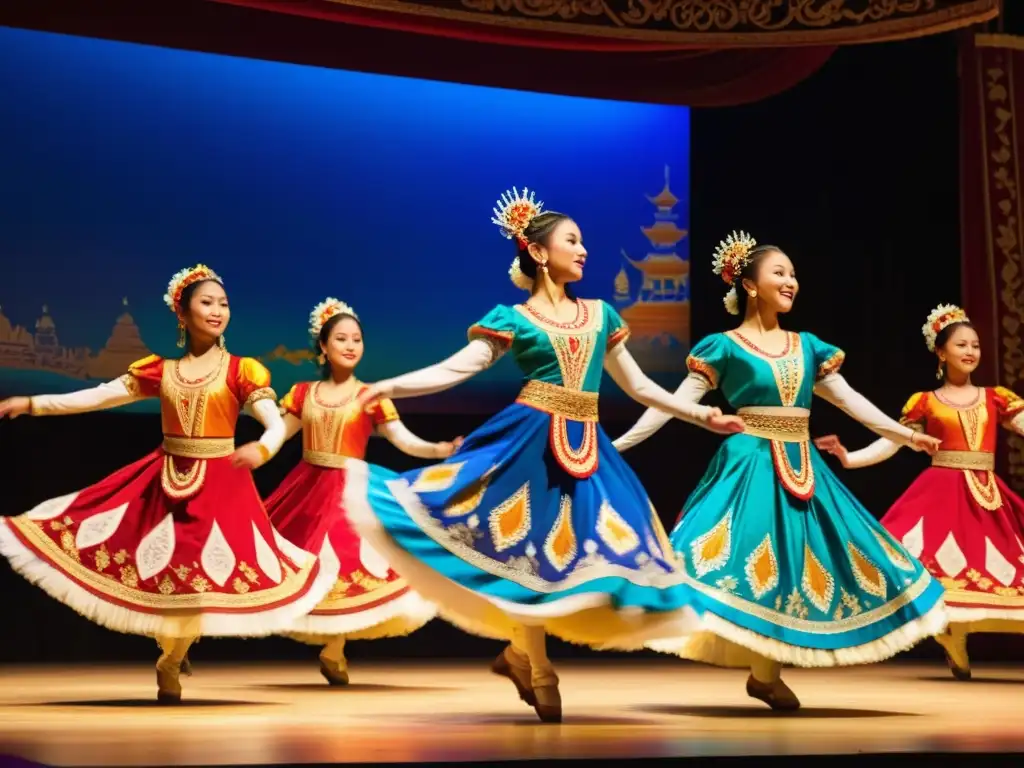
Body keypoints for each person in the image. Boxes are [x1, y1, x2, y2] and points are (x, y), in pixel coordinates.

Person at [344, 187, 742, 723]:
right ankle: (539, 666)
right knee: (524, 552)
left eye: (583, 242)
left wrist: (703, 415)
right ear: (537, 252)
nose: (583, 251)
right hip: (527, 440)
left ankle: (519, 655)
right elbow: (455, 369)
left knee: (601, 553)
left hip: (589, 446)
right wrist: (390, 385)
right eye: (572, 241)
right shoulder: (514, 317)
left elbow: (642, 387)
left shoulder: (601, 314)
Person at [612, 231, 947, 710]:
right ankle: (762, 671)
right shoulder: (722, 347)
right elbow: (669, 405)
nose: (791, 282)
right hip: (749, 463)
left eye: (792, 275)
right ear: (750, 285)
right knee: (743, 558)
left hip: (802, 462)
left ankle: (765, 674)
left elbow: (853, 403)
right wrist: (621, 444)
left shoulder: (808, 346)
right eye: (779, 273)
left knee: (800, 563)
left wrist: (906, 436)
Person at [0, 265, 333, 703]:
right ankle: (173, 649)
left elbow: (273, 423)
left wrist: (263, 449)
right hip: (164, 481)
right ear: (182, 312)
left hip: (221, 487)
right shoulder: (160, 370)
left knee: (201, 581)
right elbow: (98, 396)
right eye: (206, 302)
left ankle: (171, 658)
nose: (217, 311)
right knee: (167, 574)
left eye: (224, 304)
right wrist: (32, 402)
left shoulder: (241, 371)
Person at [815, 304, 1024, 680]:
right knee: (938, 568)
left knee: (1004, 567)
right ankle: (952, 635)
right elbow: (892, 442)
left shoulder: (996, 398)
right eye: (961, 344)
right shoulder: (924, 402)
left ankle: (954, 635)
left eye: (975, 345)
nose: (971, 351)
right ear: (941, 352)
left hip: (987, 495)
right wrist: (850, 459)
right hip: (942, 494)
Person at [266, 298, 457, 685]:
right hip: (309, 488)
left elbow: (402, 440)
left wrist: (437, 450)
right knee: (306, 563)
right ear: (323, 346)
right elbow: (277, 436)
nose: (351, 345)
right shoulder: (303, 393)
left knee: (349, 562)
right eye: (341, 338)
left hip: (352, 487)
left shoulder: (372, 395)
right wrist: (254, 453)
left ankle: (334, 649)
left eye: (356, 338)